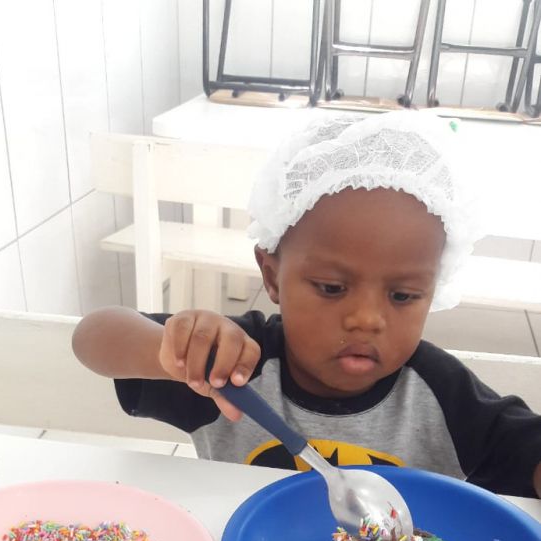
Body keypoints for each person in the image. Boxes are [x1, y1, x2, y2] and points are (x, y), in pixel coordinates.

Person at [72, 111, 541, 498]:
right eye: (332, 288)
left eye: (402, 296)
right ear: (271, 275)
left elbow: (526, 452)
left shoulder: (439, 391)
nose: (366, 319)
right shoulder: (236, 368)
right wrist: (174, 350)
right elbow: (92, 337)